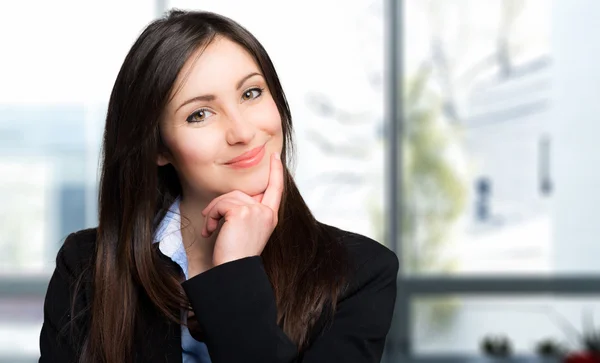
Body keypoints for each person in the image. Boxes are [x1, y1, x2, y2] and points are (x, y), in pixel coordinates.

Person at [39, 9, 398, 363]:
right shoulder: (87, 267)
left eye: (252, 93)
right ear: (159, 147)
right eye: (199, 114)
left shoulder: (359, 273)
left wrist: (235, 272)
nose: (242, 132)